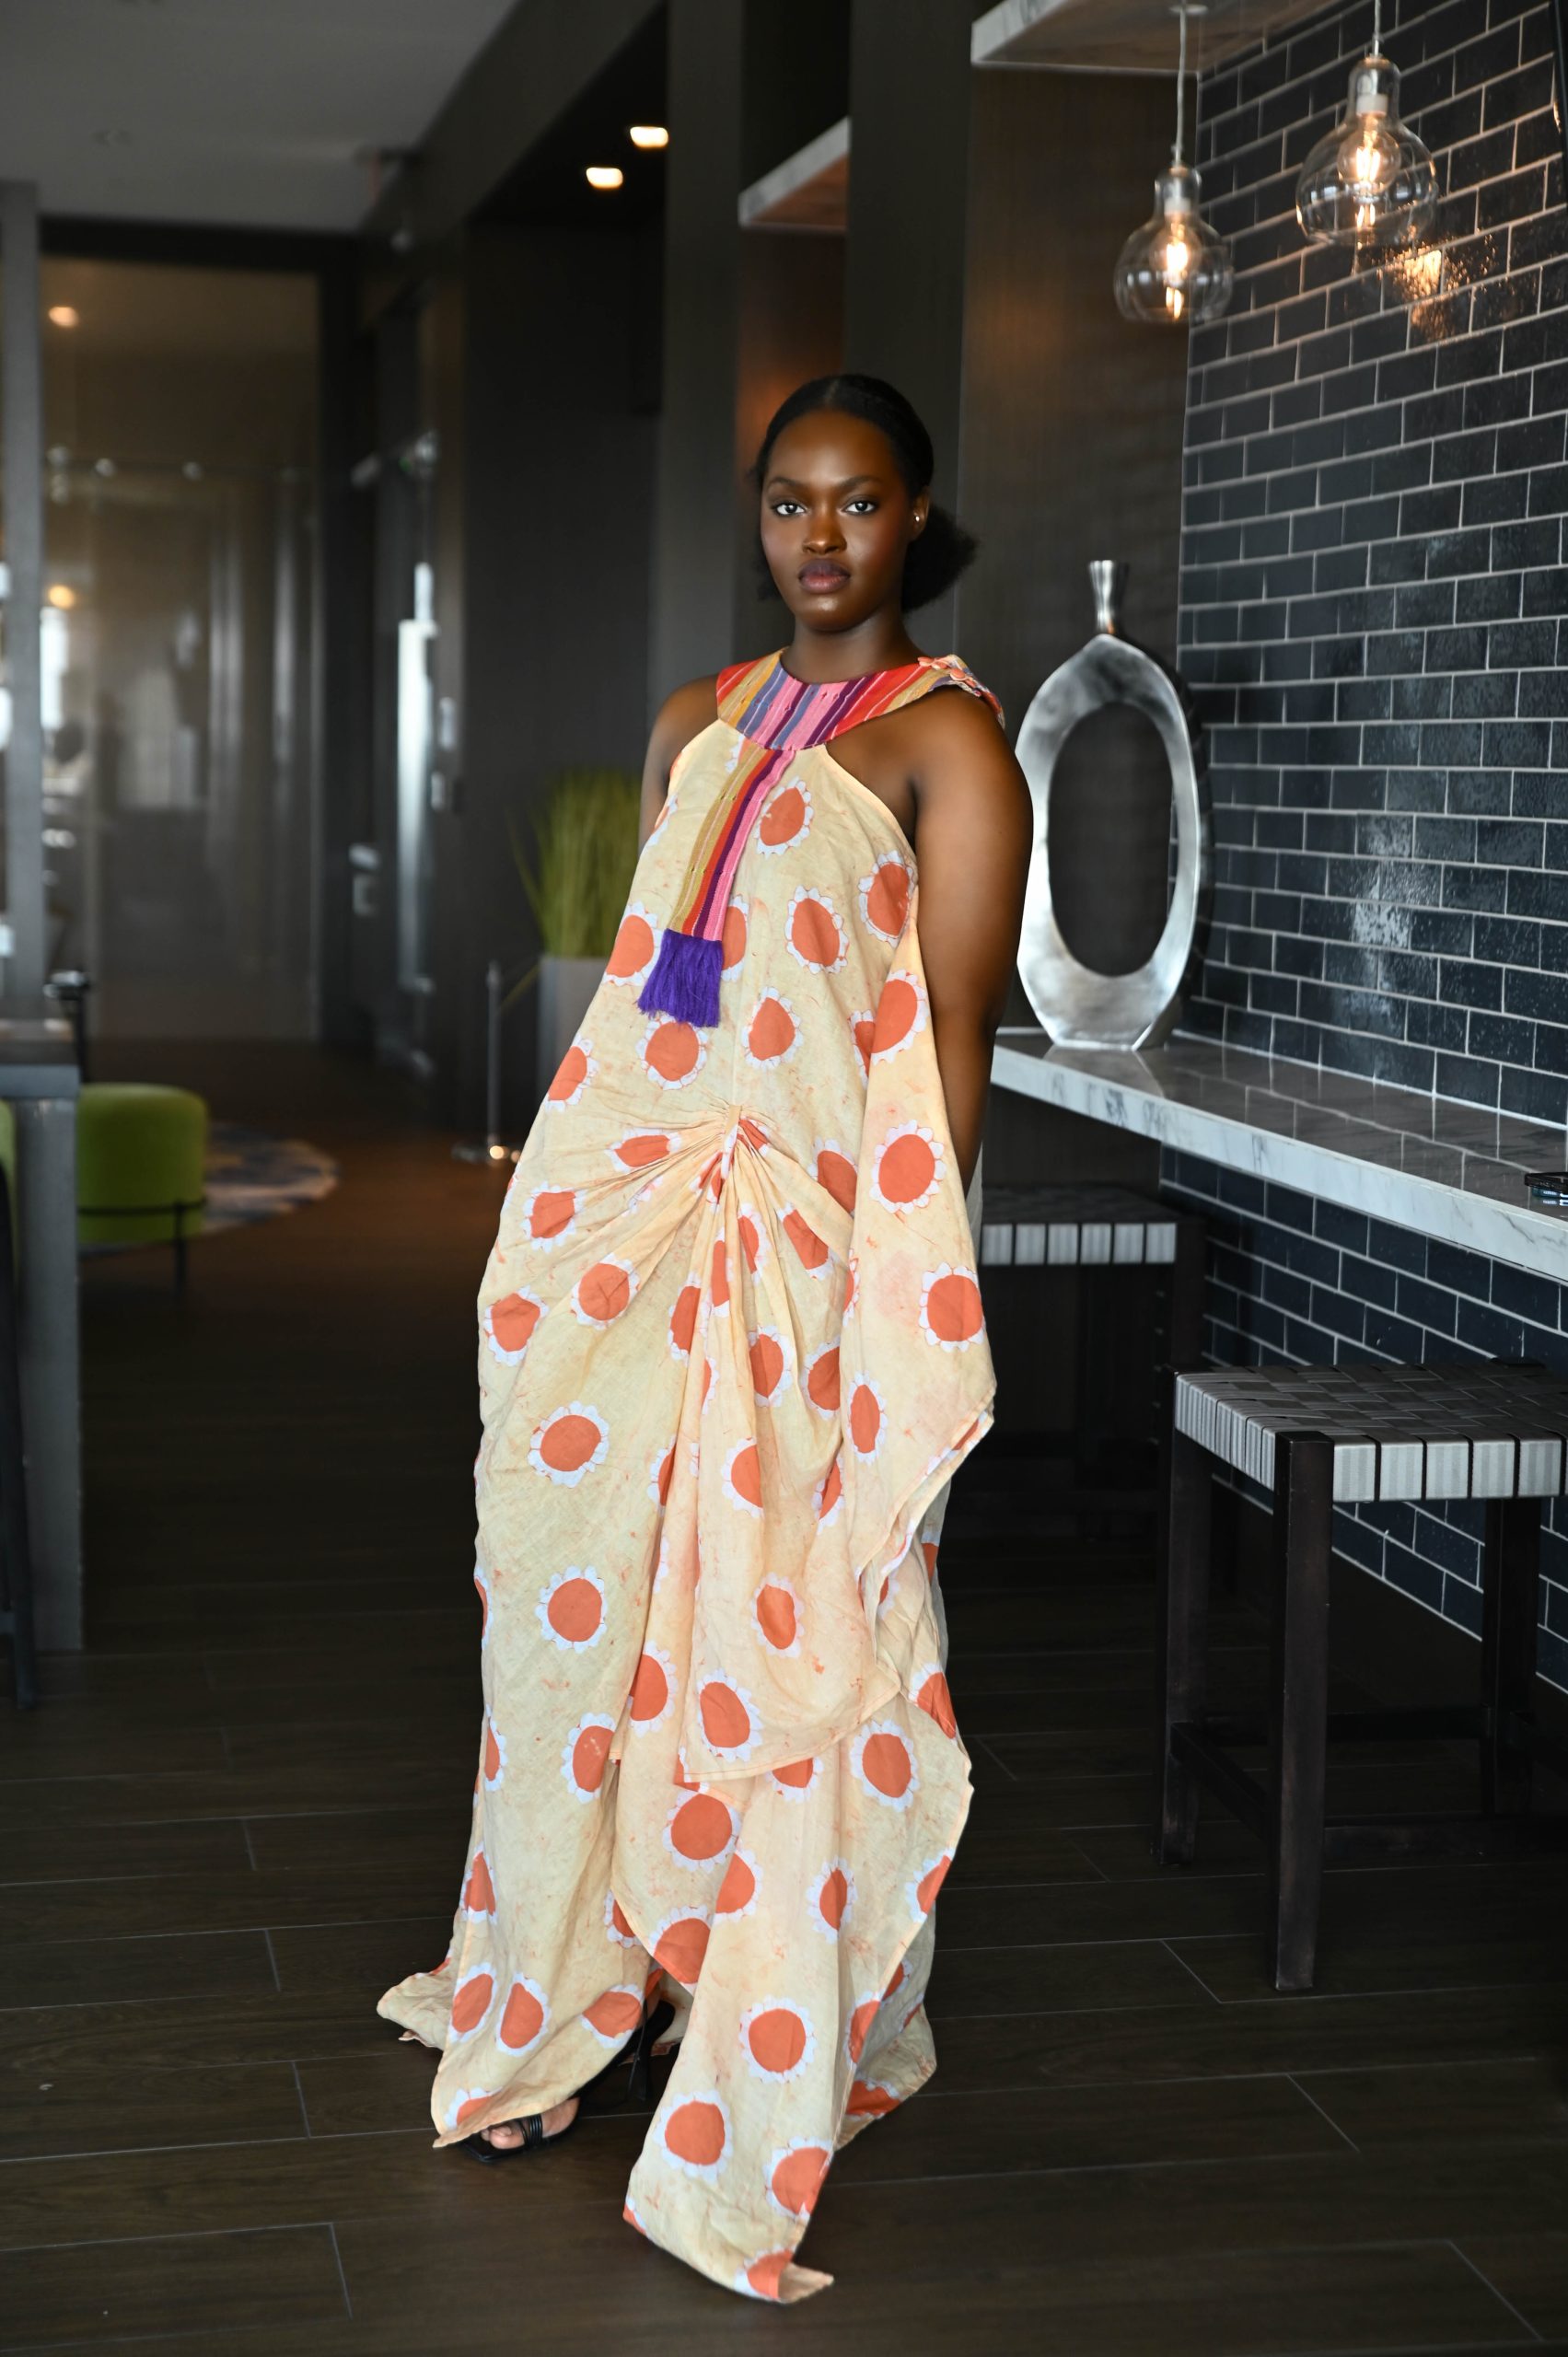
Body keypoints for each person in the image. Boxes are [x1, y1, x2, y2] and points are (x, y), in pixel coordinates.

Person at [378, 371, 1032, 2301]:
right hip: (636, 1234)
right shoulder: (697, 721)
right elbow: (645, 1007)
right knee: (581, 1609)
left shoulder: (952, 745)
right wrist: (560, 1215)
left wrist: (889, 1293)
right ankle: (567, 1987)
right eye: (789, 501)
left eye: (860, 501)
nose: (822, 536)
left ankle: (758, 2019)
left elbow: (952, 1041)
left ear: (917, 518)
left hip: (812, 1252)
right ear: (758, 519)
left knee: (779, 1622)